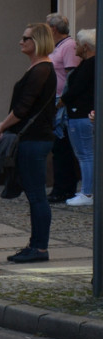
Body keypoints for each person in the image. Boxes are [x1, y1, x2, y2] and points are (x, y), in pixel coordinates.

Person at [0, 23, 57, 264]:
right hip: (34, 139)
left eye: (26, 38)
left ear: (37, 42)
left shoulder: (41, 70)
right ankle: (36, 245)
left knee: (37, 196)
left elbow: (22, 109)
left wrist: (2, 125)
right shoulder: (39, 68)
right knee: (35, 195)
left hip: (34, 141)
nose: (21, 41)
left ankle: (39, 248)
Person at [46, 13, 81, 203]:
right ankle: (61, 186)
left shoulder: (68, 46)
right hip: (55, 101)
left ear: (54, 29)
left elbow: (71, 76)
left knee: (62, 146)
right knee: (58, 147)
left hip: (62, 103)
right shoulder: (58, 46)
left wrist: (64, 100)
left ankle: (64, 188)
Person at [62, 29, 95, 206]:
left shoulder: (89, 66)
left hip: (81, 114)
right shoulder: (88, 64)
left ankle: (88, 193)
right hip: (81, 114)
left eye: (76, 44)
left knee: (85, 155)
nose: (74, 47)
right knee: (86, 154)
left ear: (85, 47)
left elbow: (74, 90)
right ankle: (88, 190)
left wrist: (63, 100)